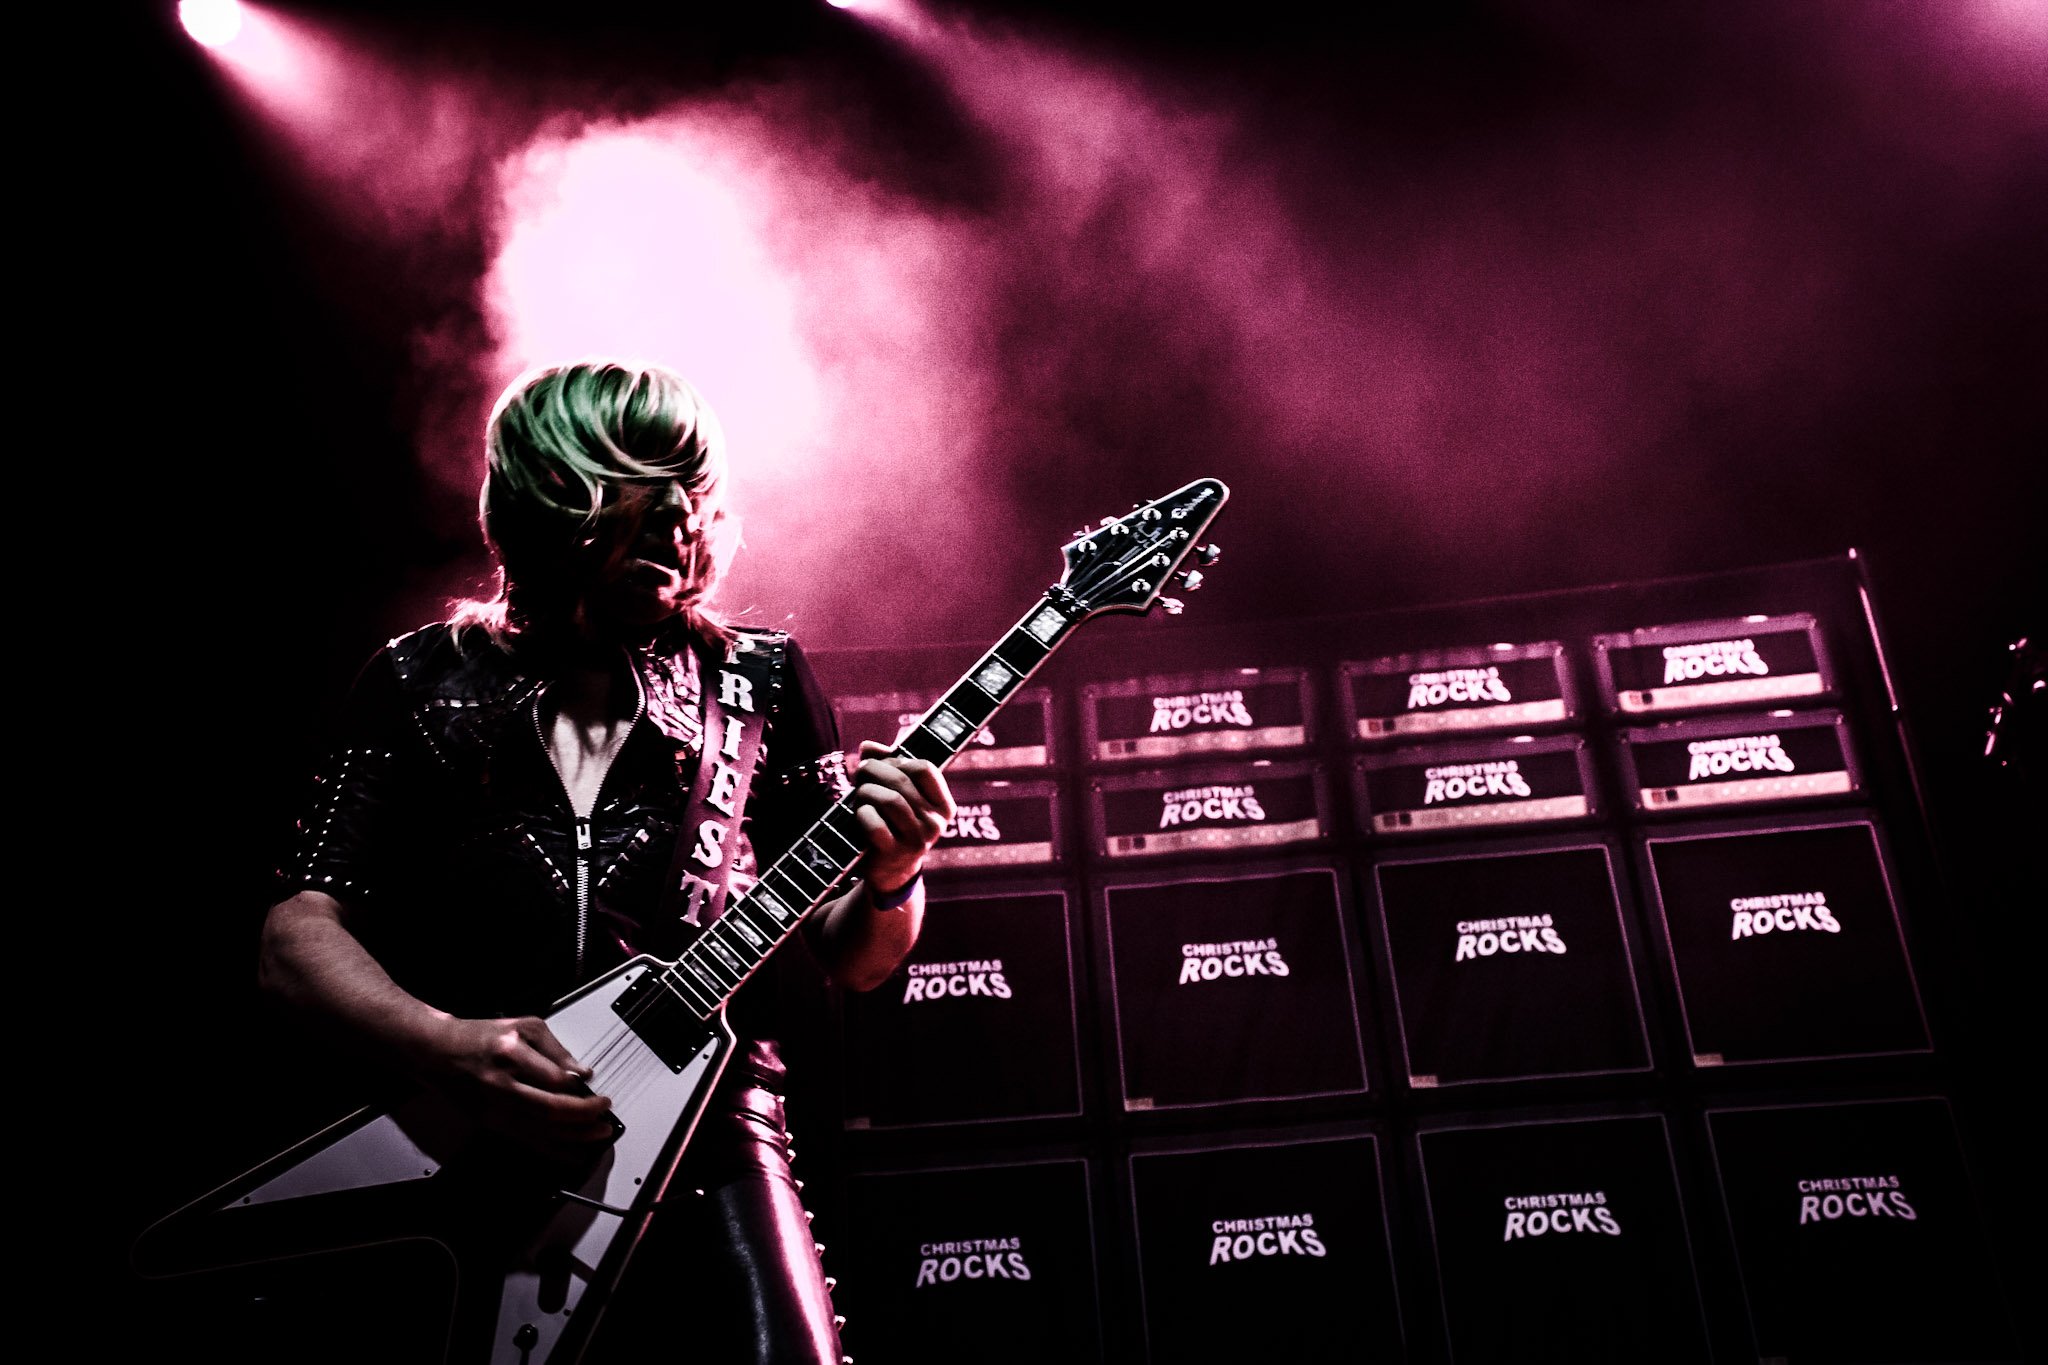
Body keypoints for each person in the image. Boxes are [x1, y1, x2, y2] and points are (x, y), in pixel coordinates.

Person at [258, 359, 953, 1363]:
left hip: (714, 1134)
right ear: (549, 491)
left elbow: (857, 956)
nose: (679, 516)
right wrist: (447, 1047)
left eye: (693, 490)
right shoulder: (416, 680)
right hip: (469, 1139)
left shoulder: (757, 680)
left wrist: (896, 875)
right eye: (642, 484)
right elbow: (295, 938)